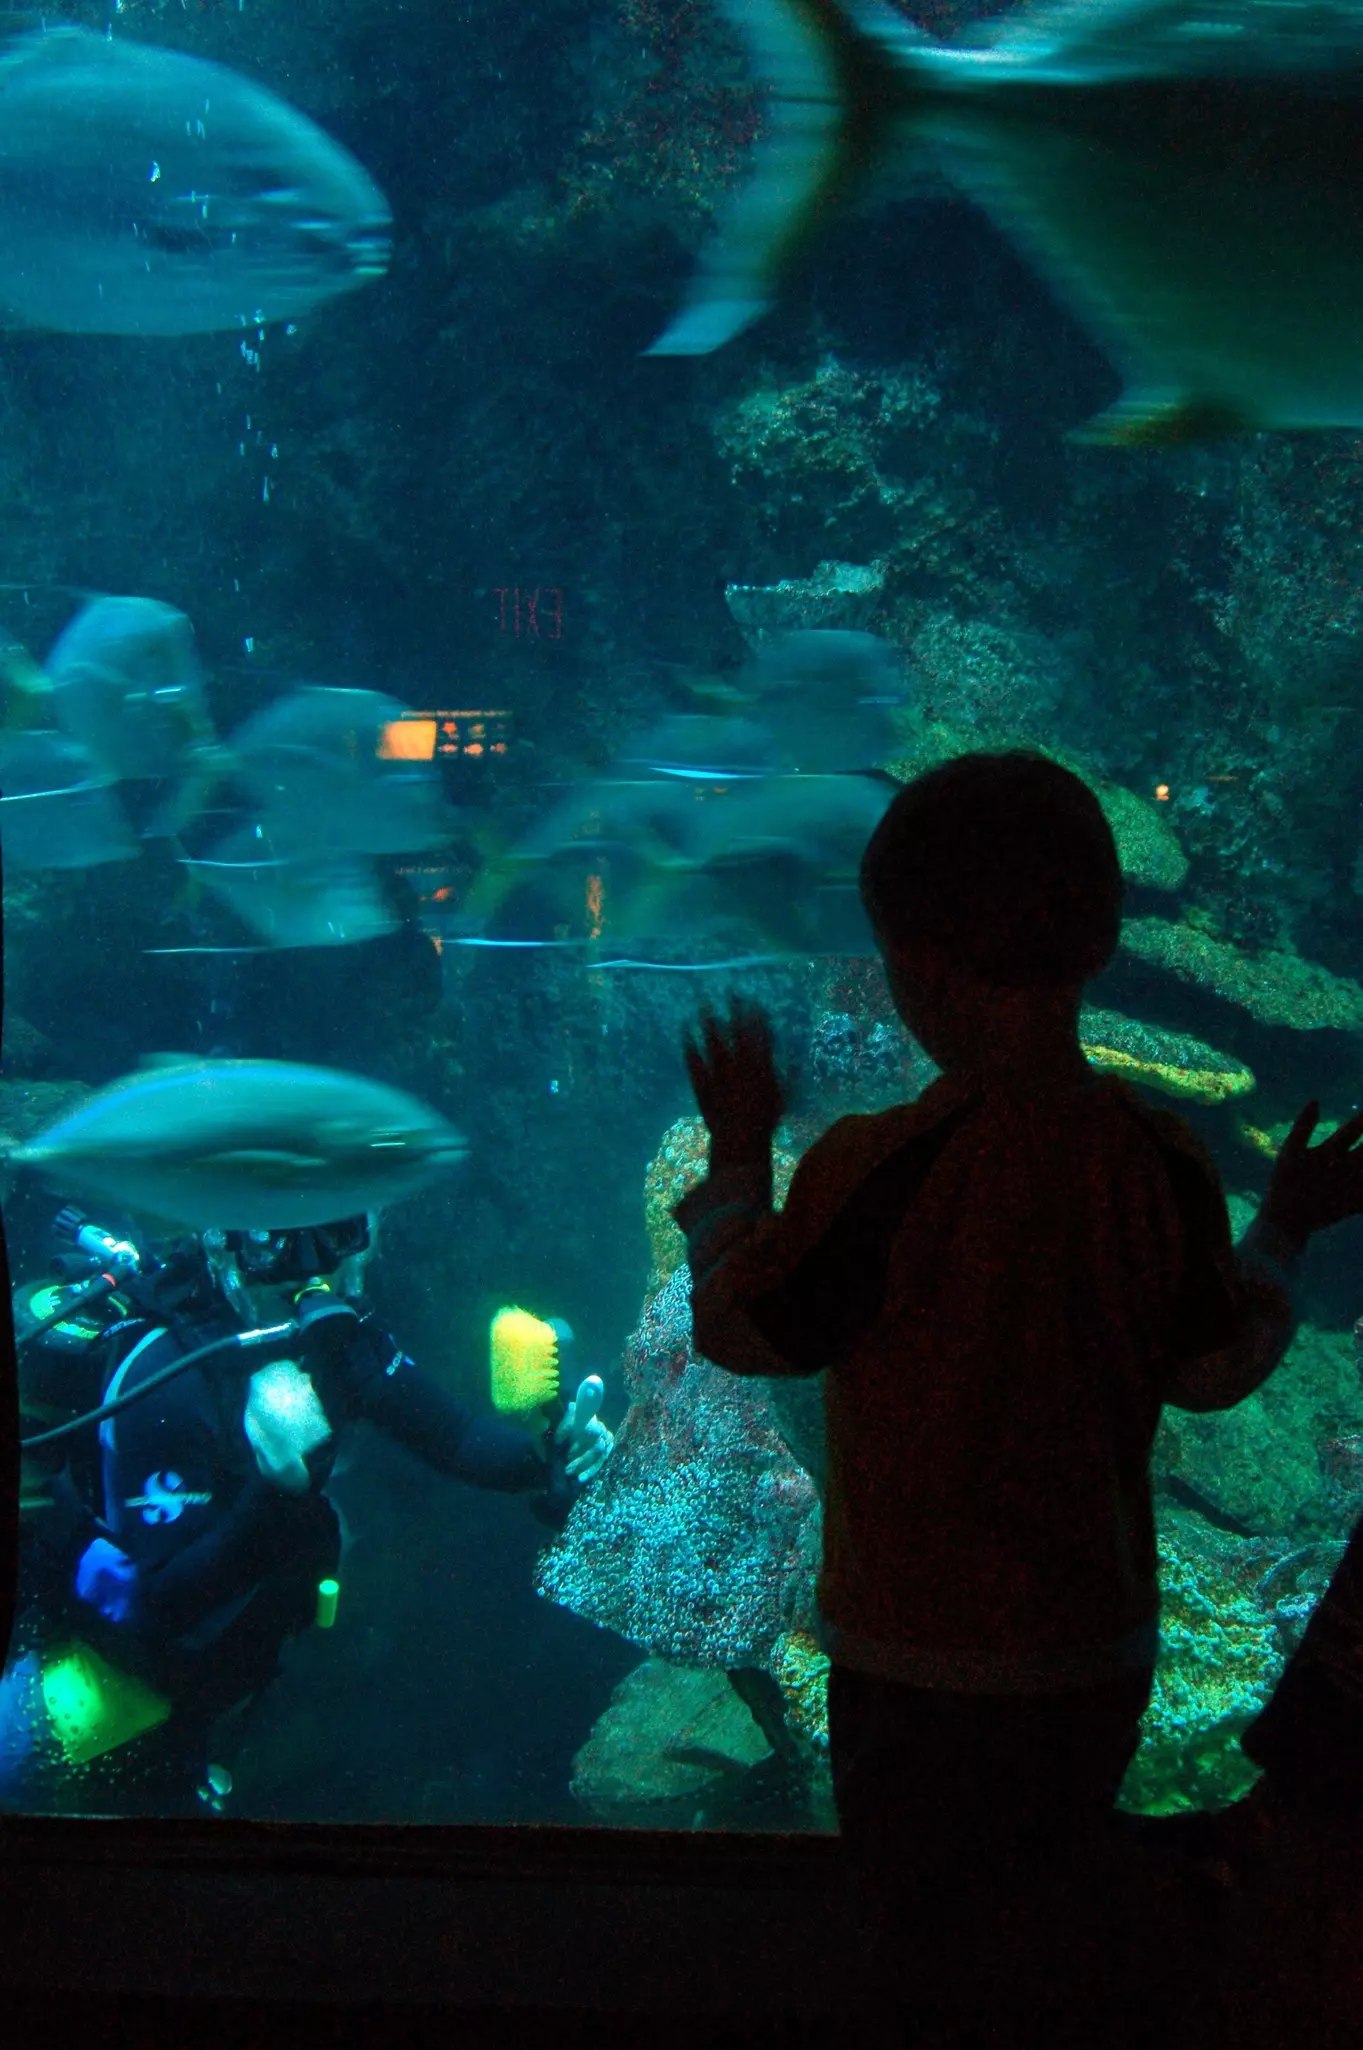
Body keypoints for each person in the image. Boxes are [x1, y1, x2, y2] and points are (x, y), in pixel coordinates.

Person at [674, 750, 1363, 2047]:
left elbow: (743, 1323)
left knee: (924, 1956)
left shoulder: (873, 1165)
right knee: (1055, 1937)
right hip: (1087, 1661)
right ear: (1102, 938)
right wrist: (1281, 1225)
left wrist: (734, 1155)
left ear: (916, 968)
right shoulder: (1155, 1156)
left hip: (910, 1665)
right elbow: (1215, 1367)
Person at [4, 1207, 611, 1816]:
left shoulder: (339, 1342)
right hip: (93, 1678)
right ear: (221, 1246)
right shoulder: (167, 1380)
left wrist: (544, 1456)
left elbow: (452, 1438)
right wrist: (276, 1495)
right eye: (274, 1240)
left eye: (340, 1230)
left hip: (227, 1677)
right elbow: (158, 1607)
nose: (312, 1269)